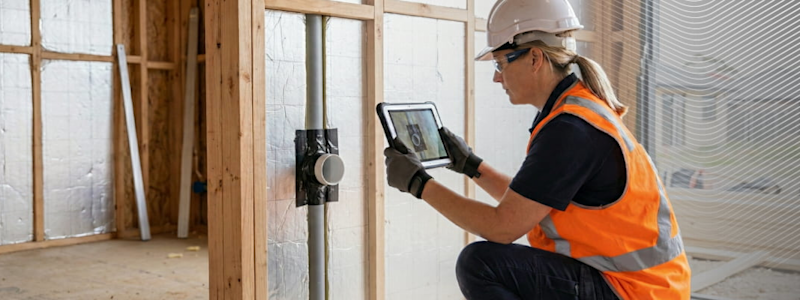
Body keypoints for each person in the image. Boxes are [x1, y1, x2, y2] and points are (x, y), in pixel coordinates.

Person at [383, 0, 692, 299]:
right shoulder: (573, 111)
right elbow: (527, 204)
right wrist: (471, 165)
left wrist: (420, 184)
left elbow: (503, 227)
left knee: (479, 264)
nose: (496, 76)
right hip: (647, 287)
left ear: (534, 58)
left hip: (629, 291)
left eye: (502, 63)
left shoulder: (570, 130)